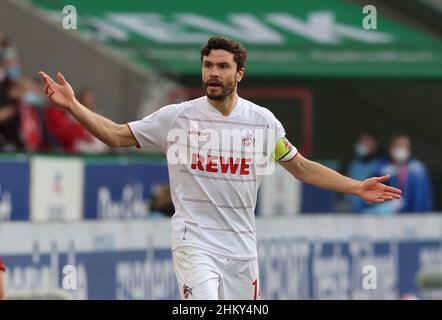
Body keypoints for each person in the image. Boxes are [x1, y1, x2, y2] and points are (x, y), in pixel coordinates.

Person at [39, 35, 401, 300]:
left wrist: (355, 187)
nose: (213, 73)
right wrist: (73, 107)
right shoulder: (178, 117)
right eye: (208, 65)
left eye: (222, 66)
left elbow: (302, 168)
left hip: (242, 249)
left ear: (239, 74)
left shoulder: (263, 123)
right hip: (195, 243)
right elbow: (118, 135)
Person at [372, 134, 433, 214]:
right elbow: (372, 193)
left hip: (415, 216)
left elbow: (426, 195)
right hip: (388, 217)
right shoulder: (381, 168)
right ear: (390, 148)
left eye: (405, 146)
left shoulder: (418, 169)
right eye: (398, 145)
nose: (401, 149)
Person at [346, 132, 384, 213]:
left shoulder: (382, 166)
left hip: (374, 213)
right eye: (362, 141)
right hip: (351, 211)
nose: (364, 144)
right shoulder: (353, 164)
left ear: (375, 146)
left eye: (368, 142)